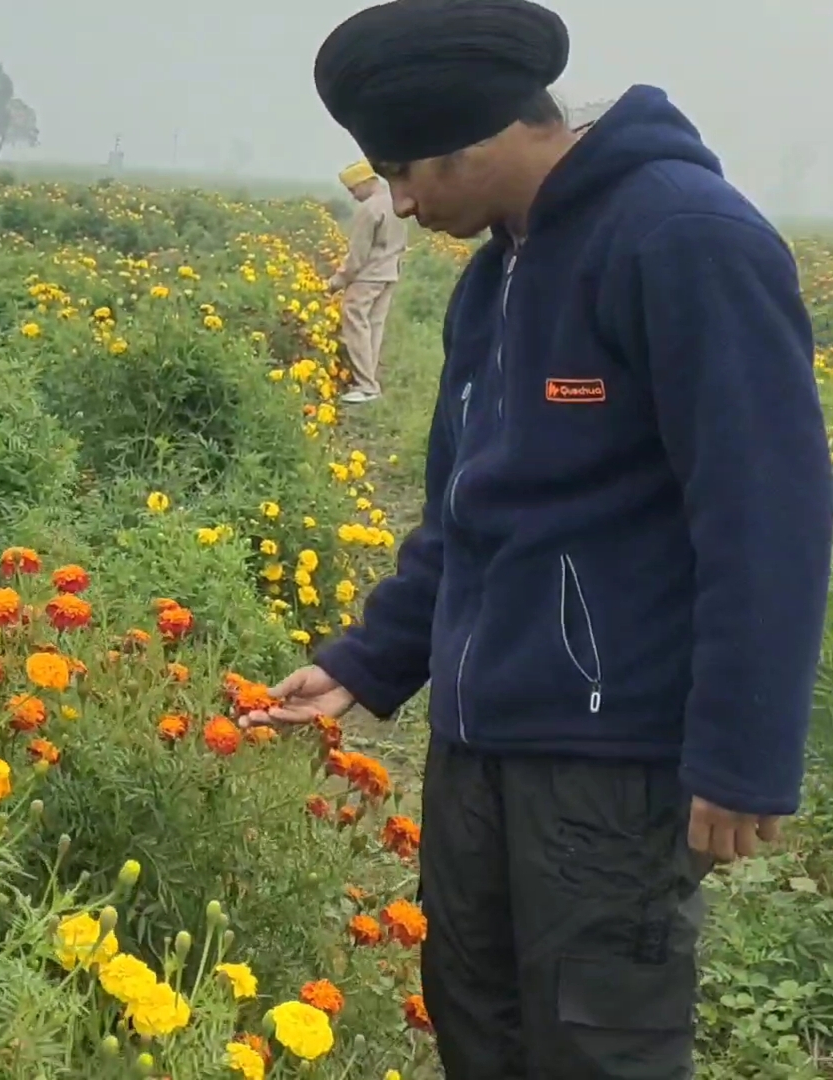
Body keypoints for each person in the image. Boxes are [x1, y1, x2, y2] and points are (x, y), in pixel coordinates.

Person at [242, 1, 833, 1077]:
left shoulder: (680, 239)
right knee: (477, 1015)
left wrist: (744, 753)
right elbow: (470, 508)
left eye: (412, 171)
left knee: (596, 1040)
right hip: (478, 744)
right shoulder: (496, 273)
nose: (404, 201)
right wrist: (366, 662)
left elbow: (767, 514)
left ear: (487, 137)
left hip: (607, 755)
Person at [331, 159, 409, 403]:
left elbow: (357, 255)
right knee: (373, 325)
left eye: (353, 189)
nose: (353, 196)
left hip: (369, 275)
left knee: (354, 320)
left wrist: (338, 280)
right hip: (390, 272)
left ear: (365, 182)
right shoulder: (395, 200)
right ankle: (369, 381)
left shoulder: (370, 209)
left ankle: (366, 385)